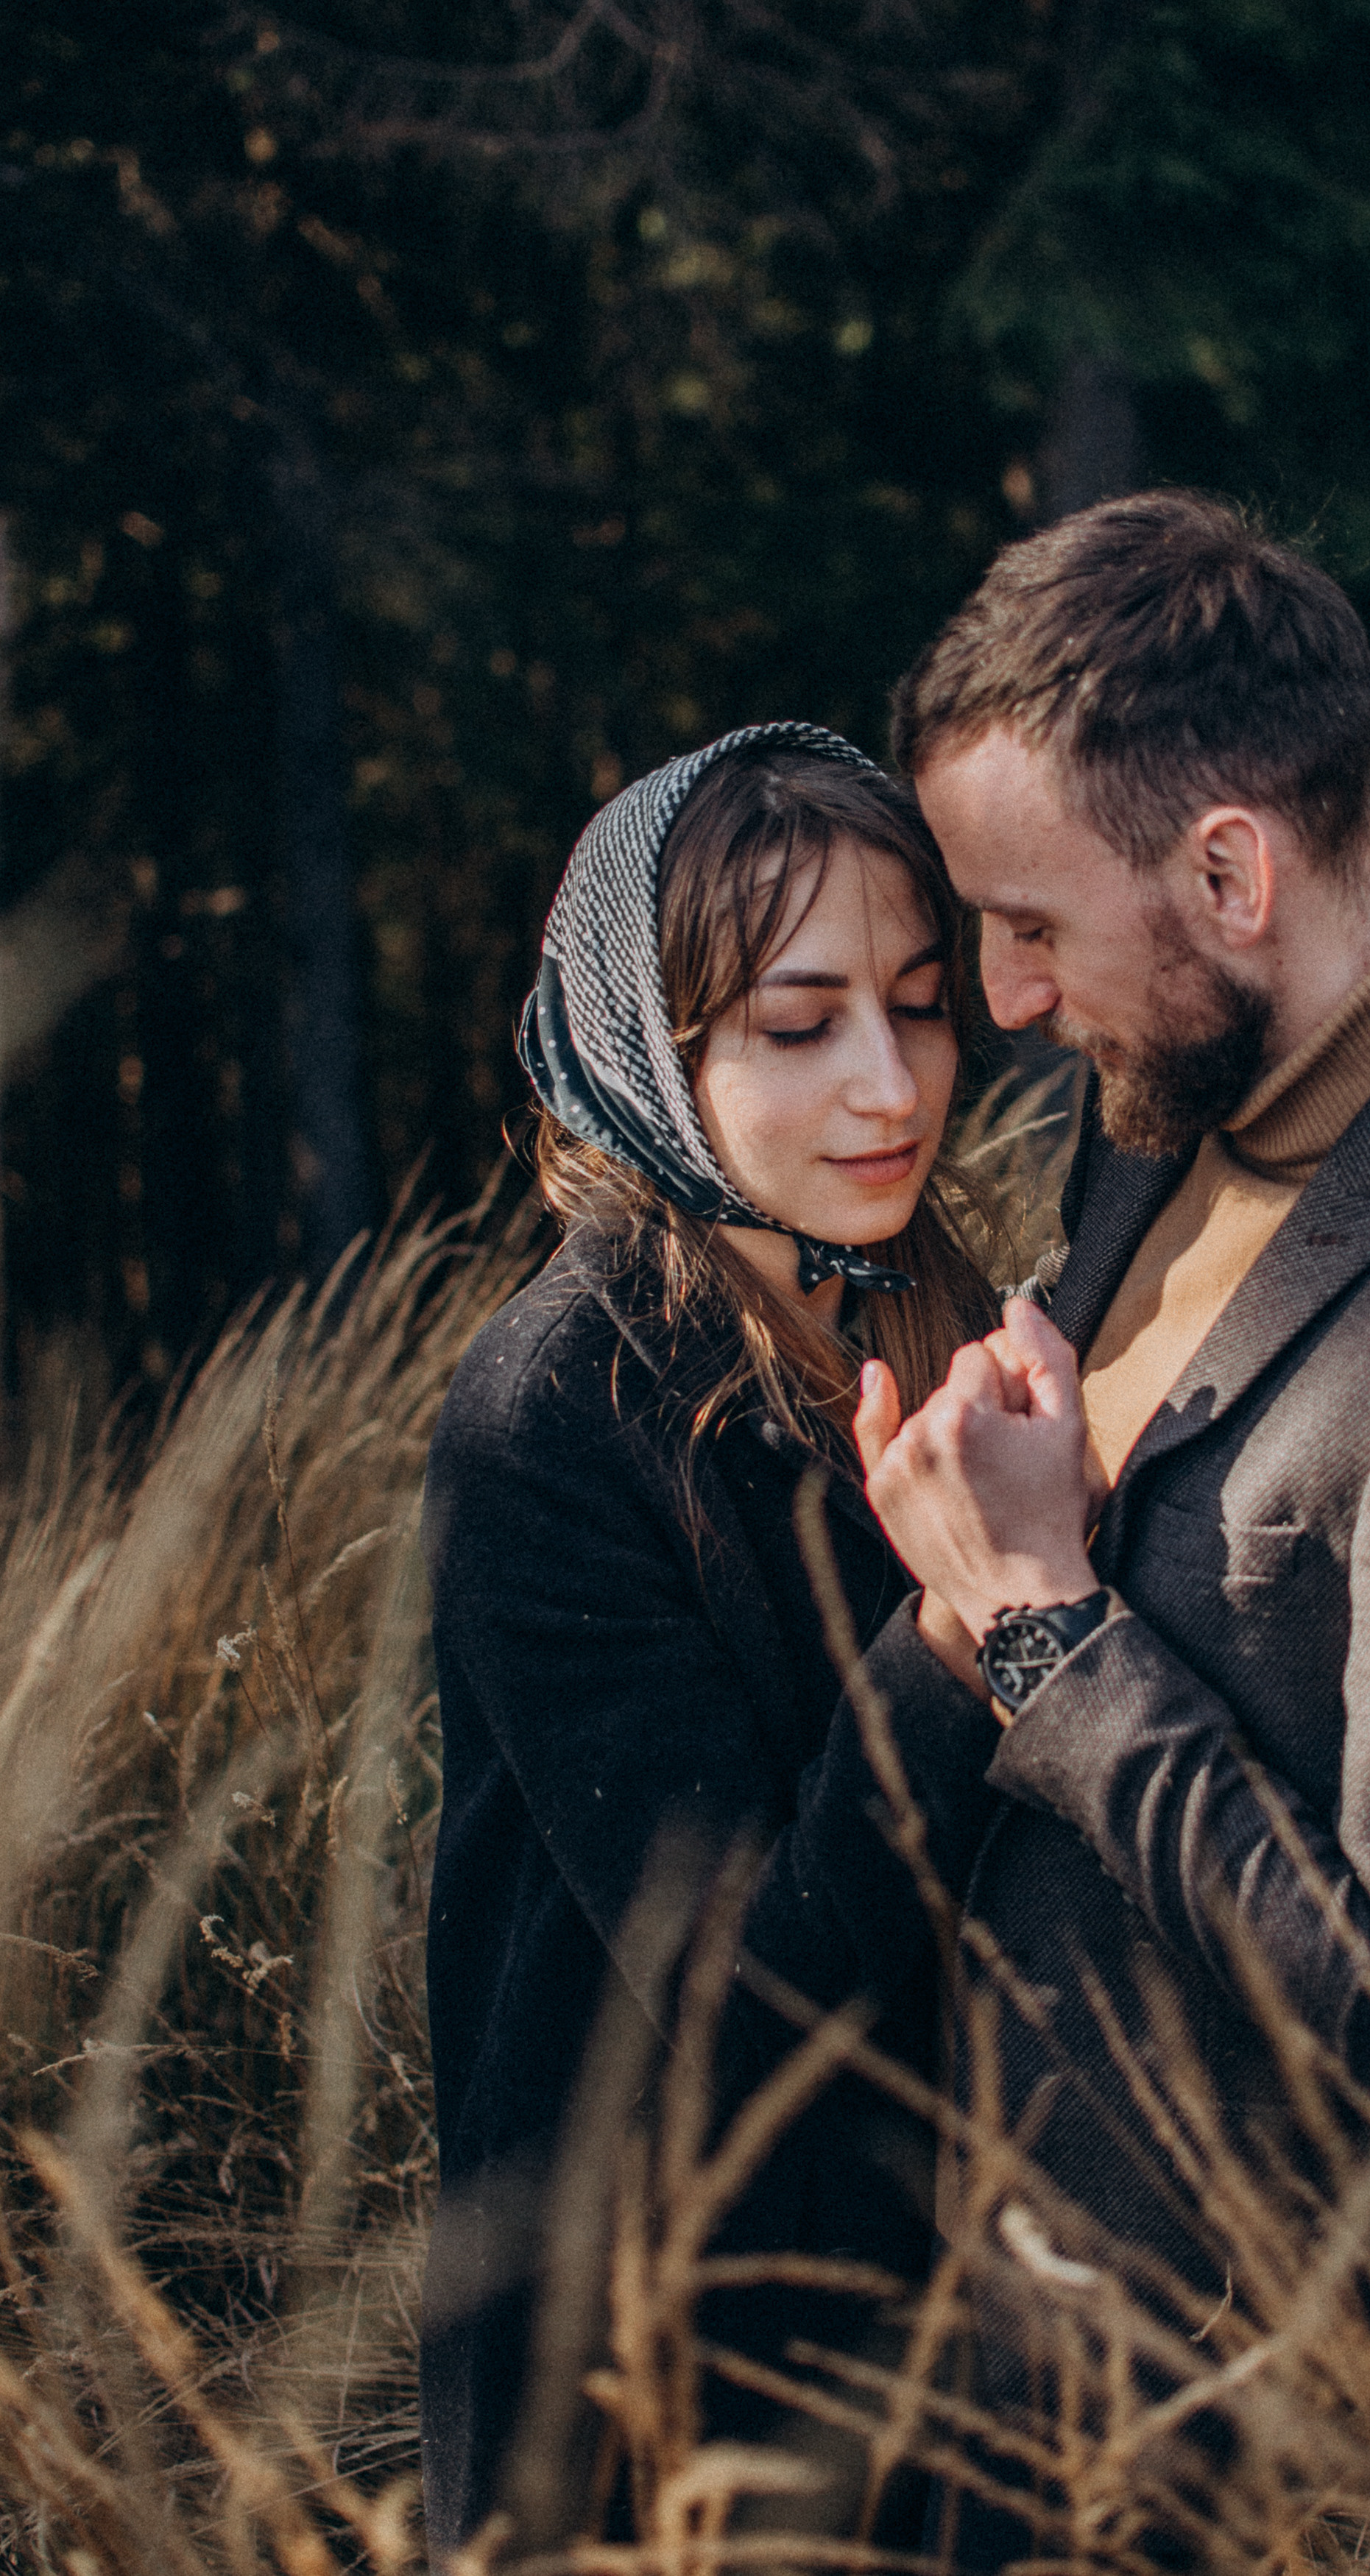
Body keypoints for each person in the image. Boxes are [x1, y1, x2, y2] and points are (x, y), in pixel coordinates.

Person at [842, 492, 1370, 2561]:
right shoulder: (1163, 1110)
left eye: (1031, 927)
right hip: (948, 2327)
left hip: (1213, 2443)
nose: (1010, 1002)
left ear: (1226, 866)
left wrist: (1042, 1624)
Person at [417, 724, 1005, 2558]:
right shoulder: (551, 1413)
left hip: (922, 2321)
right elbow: (741, 1990)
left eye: (918, 1003)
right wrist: (969, 1626)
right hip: (642, 2376)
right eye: (797, 1020)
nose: (888, 1079)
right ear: (646, 1056)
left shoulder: (925, 1296)